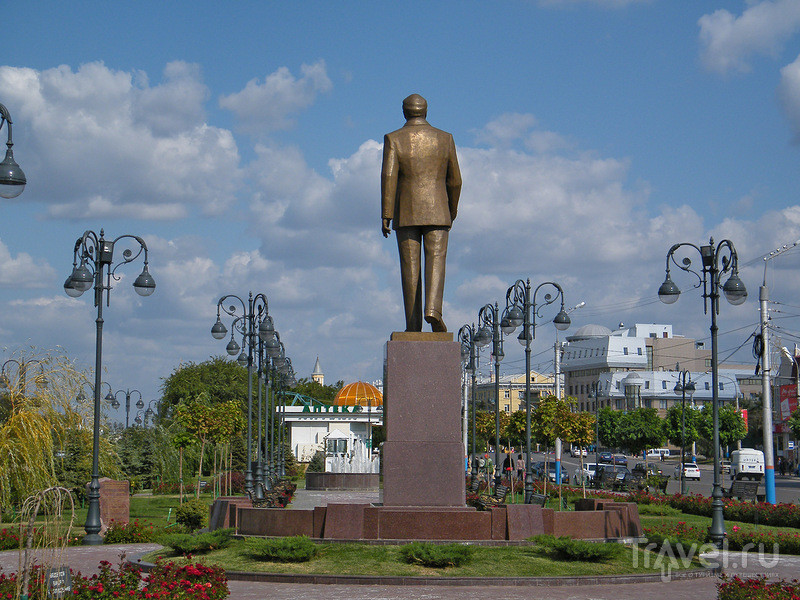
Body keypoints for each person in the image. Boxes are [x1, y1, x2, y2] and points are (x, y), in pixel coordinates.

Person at [381, 94, 462, 332]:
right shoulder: (445, 138)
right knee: (437, 259)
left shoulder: (393, 139)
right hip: (438, 210)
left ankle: (413, 325)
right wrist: (452, 209)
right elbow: (455, 180)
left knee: (410, 268)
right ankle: (433, 310)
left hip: (406, 212)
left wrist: (386, 212)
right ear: (425, 111)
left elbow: (388, 177)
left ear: (405, 112)